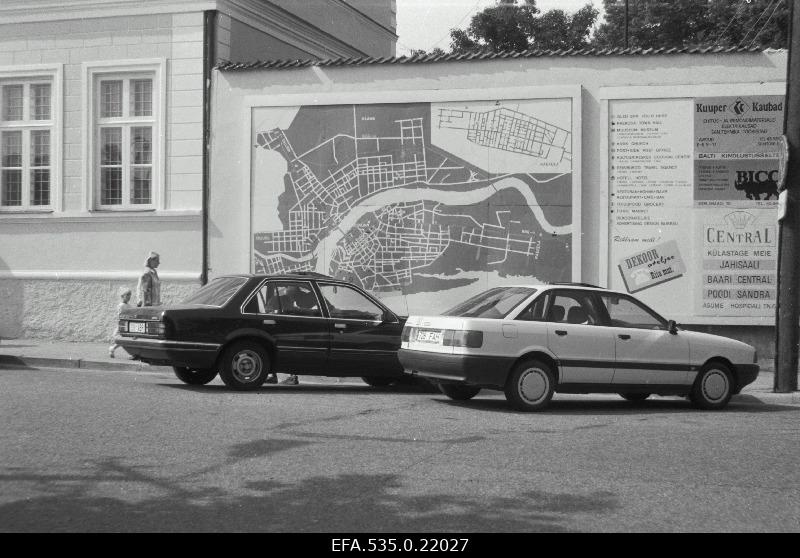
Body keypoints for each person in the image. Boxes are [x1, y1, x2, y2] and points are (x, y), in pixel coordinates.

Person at [108, 287, 133, 358]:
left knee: (125, 340)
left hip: (128, 325)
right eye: (127, 295)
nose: (129, 297)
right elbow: (120, 315)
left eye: (130, 295)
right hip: (123, 325)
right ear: (122, 296)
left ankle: (112, 349)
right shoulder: (121, 305)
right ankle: (113, 348)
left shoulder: (129, 305)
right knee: (124, 340)